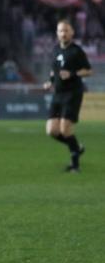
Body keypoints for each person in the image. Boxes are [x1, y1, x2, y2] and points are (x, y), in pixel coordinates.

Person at [44, 20, 92, 173]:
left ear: (72, 33)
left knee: (65, 130)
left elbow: (88, 71)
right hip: (58, 94)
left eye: (66, 31)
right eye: (60, 31)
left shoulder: (76, 51)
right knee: (51, 131)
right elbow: (54, 71)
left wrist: (72, 74)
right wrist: (50, 81)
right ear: (57, 33)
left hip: (73, 93)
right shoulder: (55, 50)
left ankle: (75, 165)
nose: (63, 34)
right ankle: (77, 147)